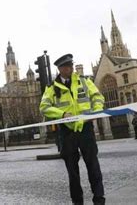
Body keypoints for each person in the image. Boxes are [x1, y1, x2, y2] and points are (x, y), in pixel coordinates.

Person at [40, 53, 105, 205]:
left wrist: (96, 110)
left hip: (85, 128)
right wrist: (62, 113)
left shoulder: (84, 81)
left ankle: (99, 199)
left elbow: (97, 97)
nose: (70, 68)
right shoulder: (52, 88)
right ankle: (77, 201)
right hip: (67, 132)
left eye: (71, 65)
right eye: (67, 66)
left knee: (93, 166)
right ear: (60, 69)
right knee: (72, 172)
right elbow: (44, 107)